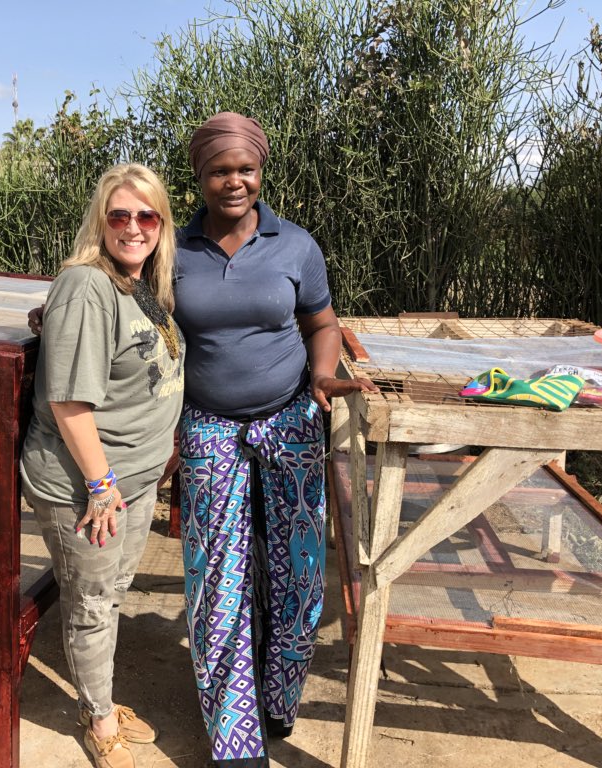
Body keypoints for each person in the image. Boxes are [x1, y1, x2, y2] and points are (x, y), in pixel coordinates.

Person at [174, 111, 374, 767]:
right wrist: (57, 304)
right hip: (208, 427)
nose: (234, 181)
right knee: (219, 580)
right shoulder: (172, 251)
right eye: (219, 171)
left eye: (245, 169)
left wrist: (321, 375)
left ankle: (278, 697)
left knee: (296, 570)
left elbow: (321, 320)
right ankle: (235, 738)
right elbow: (124, 307)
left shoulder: (295, 245)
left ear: (260, 172)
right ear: (200, 177)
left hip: (289, 420)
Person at [20, 163, 184, 768]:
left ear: (161, 224)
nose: (134, 227)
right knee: (91, 600)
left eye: (147, 215)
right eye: (120, 215)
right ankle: (98, 716)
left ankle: (101, 697)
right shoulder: (87, 285)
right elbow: (68, 400)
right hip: (88, 485)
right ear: (101, 220)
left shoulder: (137, 282)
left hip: (133, 478)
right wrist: (101, 485)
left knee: (110, 593)